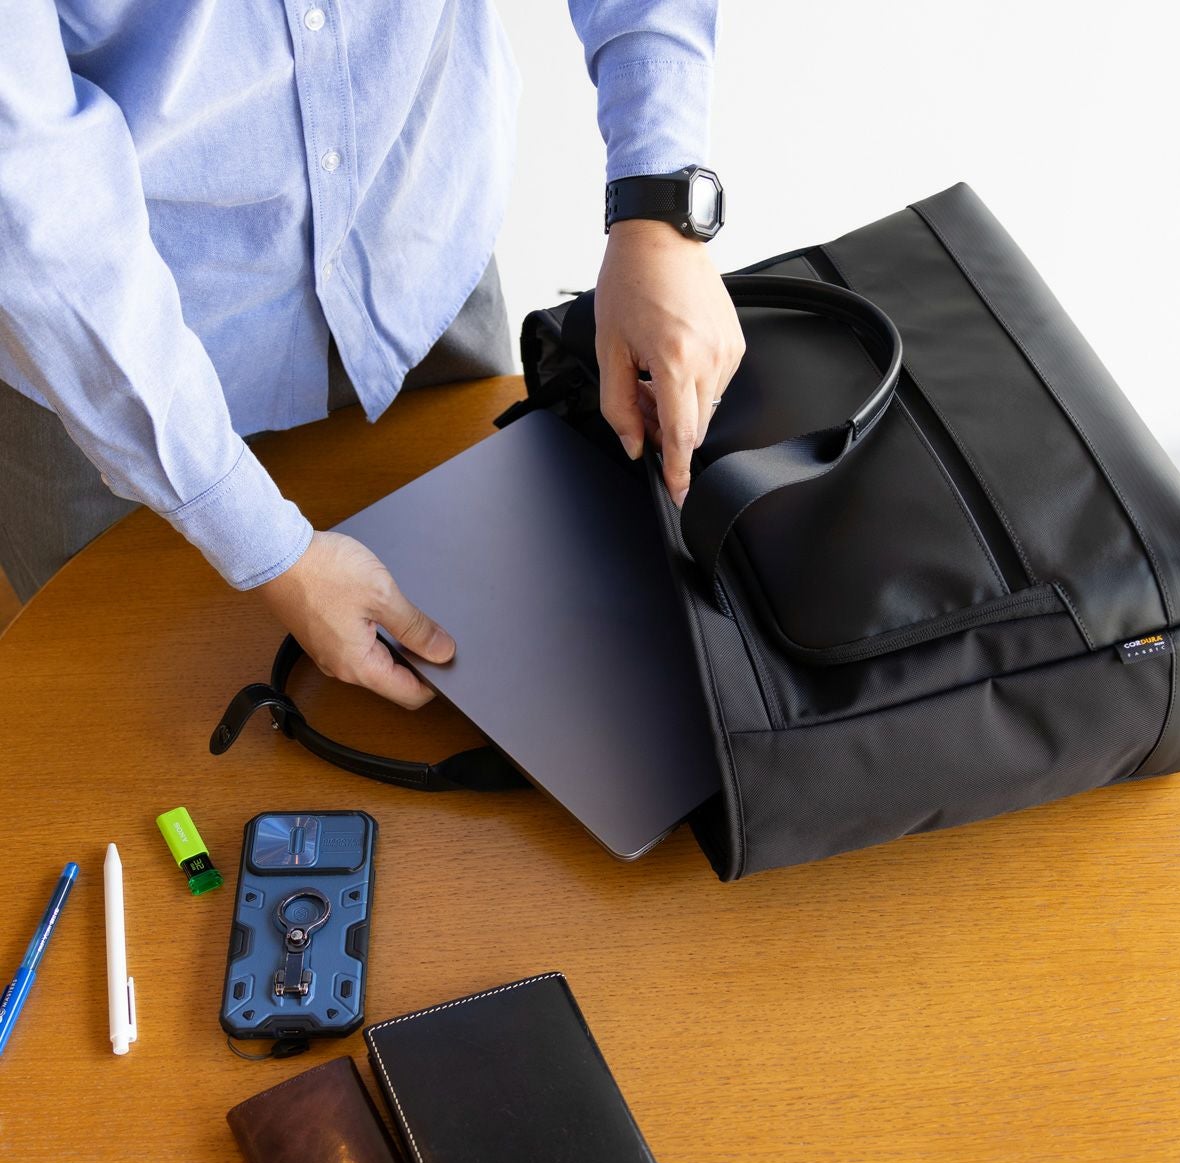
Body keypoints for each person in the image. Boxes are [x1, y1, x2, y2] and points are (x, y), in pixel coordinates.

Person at [0, 1, 744, 708]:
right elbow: (27, 185)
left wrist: (659, 210)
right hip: (99, 363)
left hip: (418, 261)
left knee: (522, 657)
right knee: (109, 713)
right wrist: (268, 549)